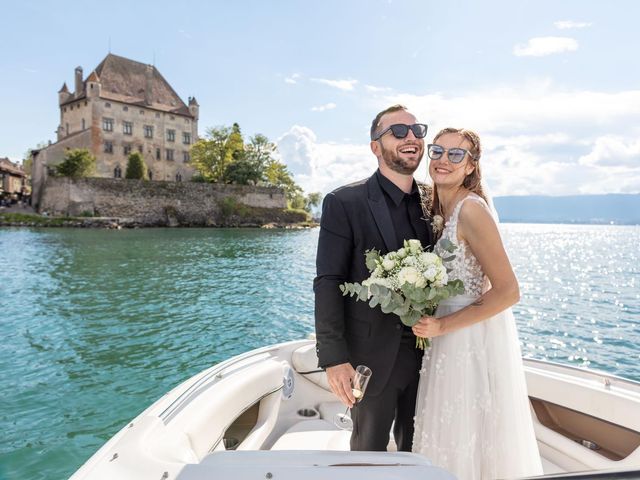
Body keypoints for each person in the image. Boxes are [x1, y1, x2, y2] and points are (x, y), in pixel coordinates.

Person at [411, 128, 543, 479]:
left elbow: (508, 291)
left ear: (471, 166)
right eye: (438, 151)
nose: (443, 160)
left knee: (466, 433)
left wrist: (442, 325)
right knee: (445, 432)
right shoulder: (436, 206)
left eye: (456, 155)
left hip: (465, 337)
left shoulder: (472, 210)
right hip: (442, 335)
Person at [314, 104, 434, 451]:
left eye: (417, 130)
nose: (411, 137)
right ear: (375, 146)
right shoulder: (344, 202)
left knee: (421, 451)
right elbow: (328, 281)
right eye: (398, 131)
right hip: (369, 358)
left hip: (430, 356)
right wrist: (334, 359)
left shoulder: (434, 200)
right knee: (368, 457)